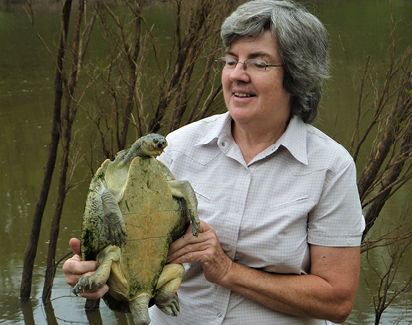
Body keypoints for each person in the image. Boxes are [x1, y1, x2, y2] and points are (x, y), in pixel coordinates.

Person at [63, 0, 365, 324]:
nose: (237, 75)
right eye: (231, 60)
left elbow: (337, 300)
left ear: (296, 75)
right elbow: (133, 244)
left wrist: (227, 271)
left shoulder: (330, 167)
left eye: (258, 64)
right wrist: (96, 270)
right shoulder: (178, 147)